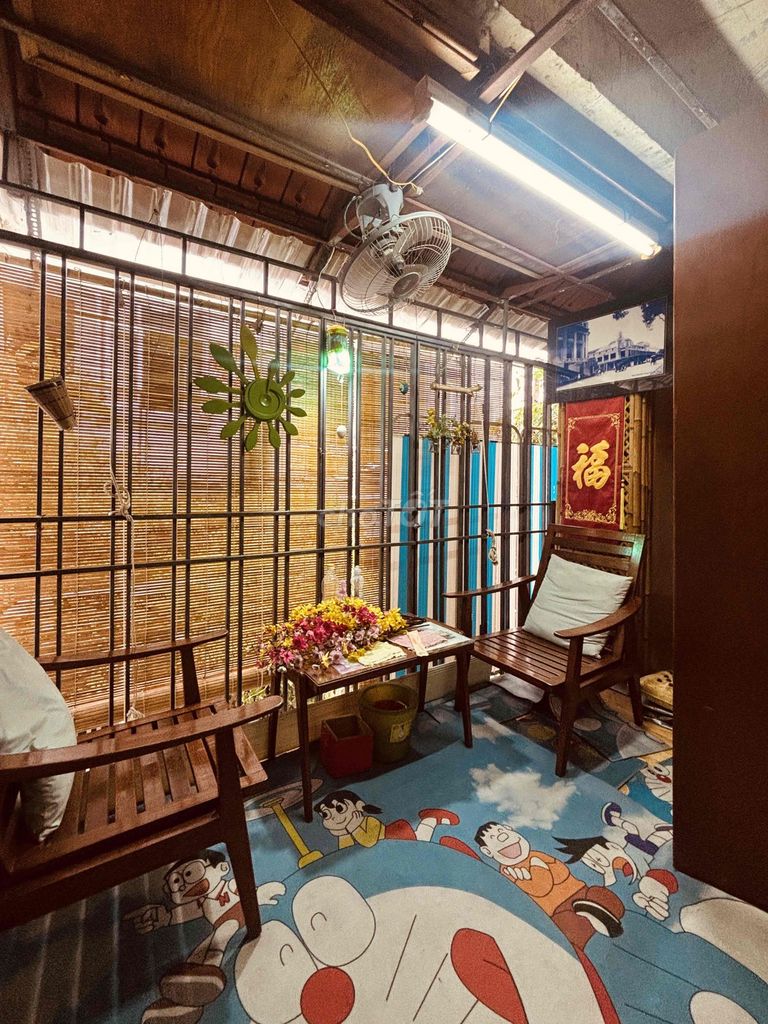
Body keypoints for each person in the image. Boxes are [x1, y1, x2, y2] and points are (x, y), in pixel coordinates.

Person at [474, 821, 624, 951]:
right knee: (567, 927)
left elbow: (562, 872)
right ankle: (593, 919)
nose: (502, 837)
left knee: (601, 894)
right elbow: (541, 889)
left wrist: (540, 869)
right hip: (557, 909)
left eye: (502, 831)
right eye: (493, 837)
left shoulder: (536, 855)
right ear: (487, 851)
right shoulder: (508, 872)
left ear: (510, 829)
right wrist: (538, 870)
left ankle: (594, 915)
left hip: (581, 891)